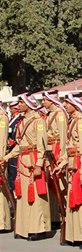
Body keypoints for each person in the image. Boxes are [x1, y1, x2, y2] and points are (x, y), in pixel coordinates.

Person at [1, 94, 51, 240]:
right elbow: (19, 146)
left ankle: (39, 228)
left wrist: (39, 164)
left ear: (29, 104)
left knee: (35, 195)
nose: (19, 105)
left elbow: (42, 146)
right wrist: (6, 157)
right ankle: (24, 228)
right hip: (22, 160)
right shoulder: (22, 122)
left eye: (22, 102)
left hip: (33, 159)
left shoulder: (38, 121)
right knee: (22, 195)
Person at [55, 93, 82, 249]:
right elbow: (69, 147)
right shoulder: (73, 120)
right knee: (73, 199)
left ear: (75, 104)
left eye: (67, 103)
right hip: (72, 163)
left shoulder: (81, 123)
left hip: (80, 162)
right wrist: (61, 163)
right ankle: (77, 234)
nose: (65, 106)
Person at [41, 90, 68, 230]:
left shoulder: (60, 114)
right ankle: (55, 217)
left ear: (51, 100)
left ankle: (65, 214)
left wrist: (63, 155)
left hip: (57, 149)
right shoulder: (49, 114)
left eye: (45, 100)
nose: (43, 102)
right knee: (51, 184)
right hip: (50, 149)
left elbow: (63, 136)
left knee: (61, 184)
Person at [0, 103, 10, 233]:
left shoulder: (2, 118)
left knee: (1, 191)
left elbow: (2, 141)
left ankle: (3, 222)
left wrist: (1, 158)